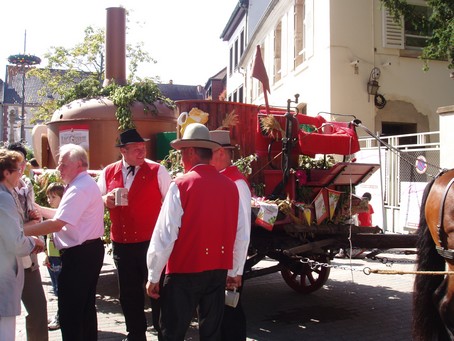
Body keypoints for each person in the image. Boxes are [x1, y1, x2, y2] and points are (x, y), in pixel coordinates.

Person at [146, 123, 242, 340]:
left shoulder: (181, 185)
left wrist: (153, 274)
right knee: (211, 333)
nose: (180, 159)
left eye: (181, 153)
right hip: (217, 269)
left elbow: (165, 233)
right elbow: (238, 232)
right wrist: (233, 269)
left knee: (172, 331)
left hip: (184, 270)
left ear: (190, 152)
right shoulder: (231, 186)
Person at [24, 143, 105, 341]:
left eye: (63, 165)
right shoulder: (81, 184)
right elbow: (64, 216)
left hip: (80, 254)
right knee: (83, 309)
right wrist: (37, 208)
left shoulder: (79, 188)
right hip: (86, 252)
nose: (59, 169)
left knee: (71, 311)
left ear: (78, 164)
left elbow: (58, 223)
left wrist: (21, 231)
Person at [97, 128, 171, 341]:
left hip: (151, 243)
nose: (142, 152)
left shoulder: (158, 170)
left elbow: (170, 206)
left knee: (157, 291)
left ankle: (163, 333)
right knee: (129, 295)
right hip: (122, 242)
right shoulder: (109, 172)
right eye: (136, 149)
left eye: (143, 148)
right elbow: (97, 197)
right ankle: (135, 334)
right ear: (123, 150)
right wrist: (105, 200)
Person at [209, 130, 251, 341]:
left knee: (231, 316)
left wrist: (235, 270)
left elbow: (242, 231)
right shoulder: (224, 179)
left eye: (210, 153)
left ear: (222, 154)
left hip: (228, 265)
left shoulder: (236, 183)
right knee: (222, 316)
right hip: (220, 262)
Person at [0, 149, 44, 340]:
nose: (22, 172)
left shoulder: (12, 193)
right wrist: (33, 242)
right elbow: (15, 242)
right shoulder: (4, 197)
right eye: (18, 169)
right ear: (6, 173)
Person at [43, 182, 65, 331]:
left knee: (61, 289)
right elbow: (48, 237)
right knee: (56, 288)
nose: (50, 200)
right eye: (48, 197)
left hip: (59, 256)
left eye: (53, 197)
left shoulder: (62, 215)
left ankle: (61, 316)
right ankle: (60, 314)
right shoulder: (51, 215)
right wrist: (46, 255)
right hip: (52, 256)